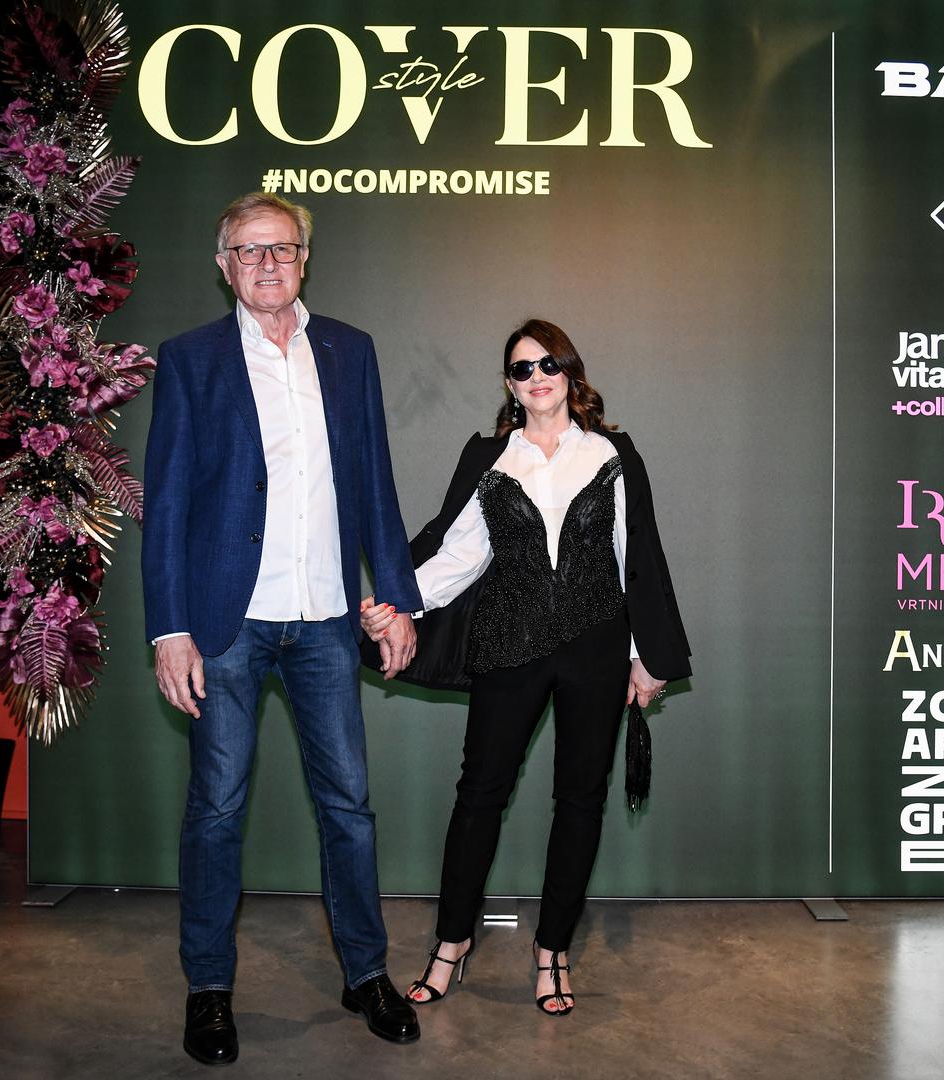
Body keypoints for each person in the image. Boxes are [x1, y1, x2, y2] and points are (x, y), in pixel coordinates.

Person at [142, 192, 423, 1065]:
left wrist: (398, 598)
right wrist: (170, 630)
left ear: (305, 258)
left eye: (282, 247)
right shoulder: (190, 358)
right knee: (217, 810)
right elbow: (167, 503)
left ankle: (366, 973)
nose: (267, 263)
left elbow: (373, 482)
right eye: (249, 250)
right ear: (222, 265)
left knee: (349, 808)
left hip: (328, 620)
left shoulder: (349, 350)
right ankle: (208, 989)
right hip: (225, 625)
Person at [365, 319, 690, 1016]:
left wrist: (645, 656)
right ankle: (451, 943)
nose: (536, 377)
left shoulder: (612, 451)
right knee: (479, 795)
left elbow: (636, 554)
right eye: (521, 368)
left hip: (596, 648)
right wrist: (396, 605)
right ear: (508, 385)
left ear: (570, 373)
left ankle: (552, 952)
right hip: (507, 644)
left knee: (580, 800)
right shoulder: (490, 456)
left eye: (548, 364)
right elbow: (458, 554)